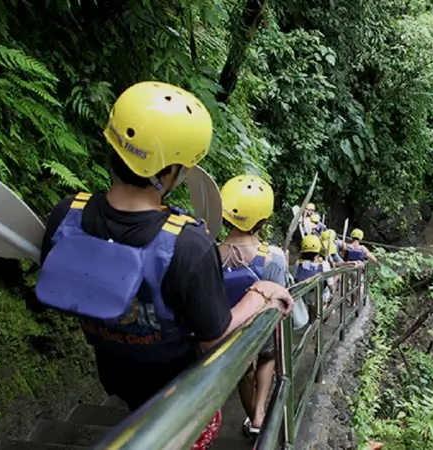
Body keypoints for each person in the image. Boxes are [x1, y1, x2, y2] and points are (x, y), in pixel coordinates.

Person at [33, 82, 294, 450]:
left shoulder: (66, 214)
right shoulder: (188, 245)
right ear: (171, 170)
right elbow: (215, 337)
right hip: (178, 390)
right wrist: (259, 295)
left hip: (114, 371)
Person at [217, 174, 287, 437]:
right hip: (261, 326)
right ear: (263, 219)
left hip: (229, 327)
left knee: (244, 370)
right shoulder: (274, 258)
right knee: (268, 356)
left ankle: (252, 417)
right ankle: (260, 414)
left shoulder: (210, 253)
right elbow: (280, 299)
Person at [295, 235, 335, 320]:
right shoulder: (324, 264)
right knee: (325, 308)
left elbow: (296, 277)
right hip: (321, 296)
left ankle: (312, 322)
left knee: (312, 314)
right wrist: (333, 293)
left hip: (306, 296)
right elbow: (331, 284)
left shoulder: (298, 263)